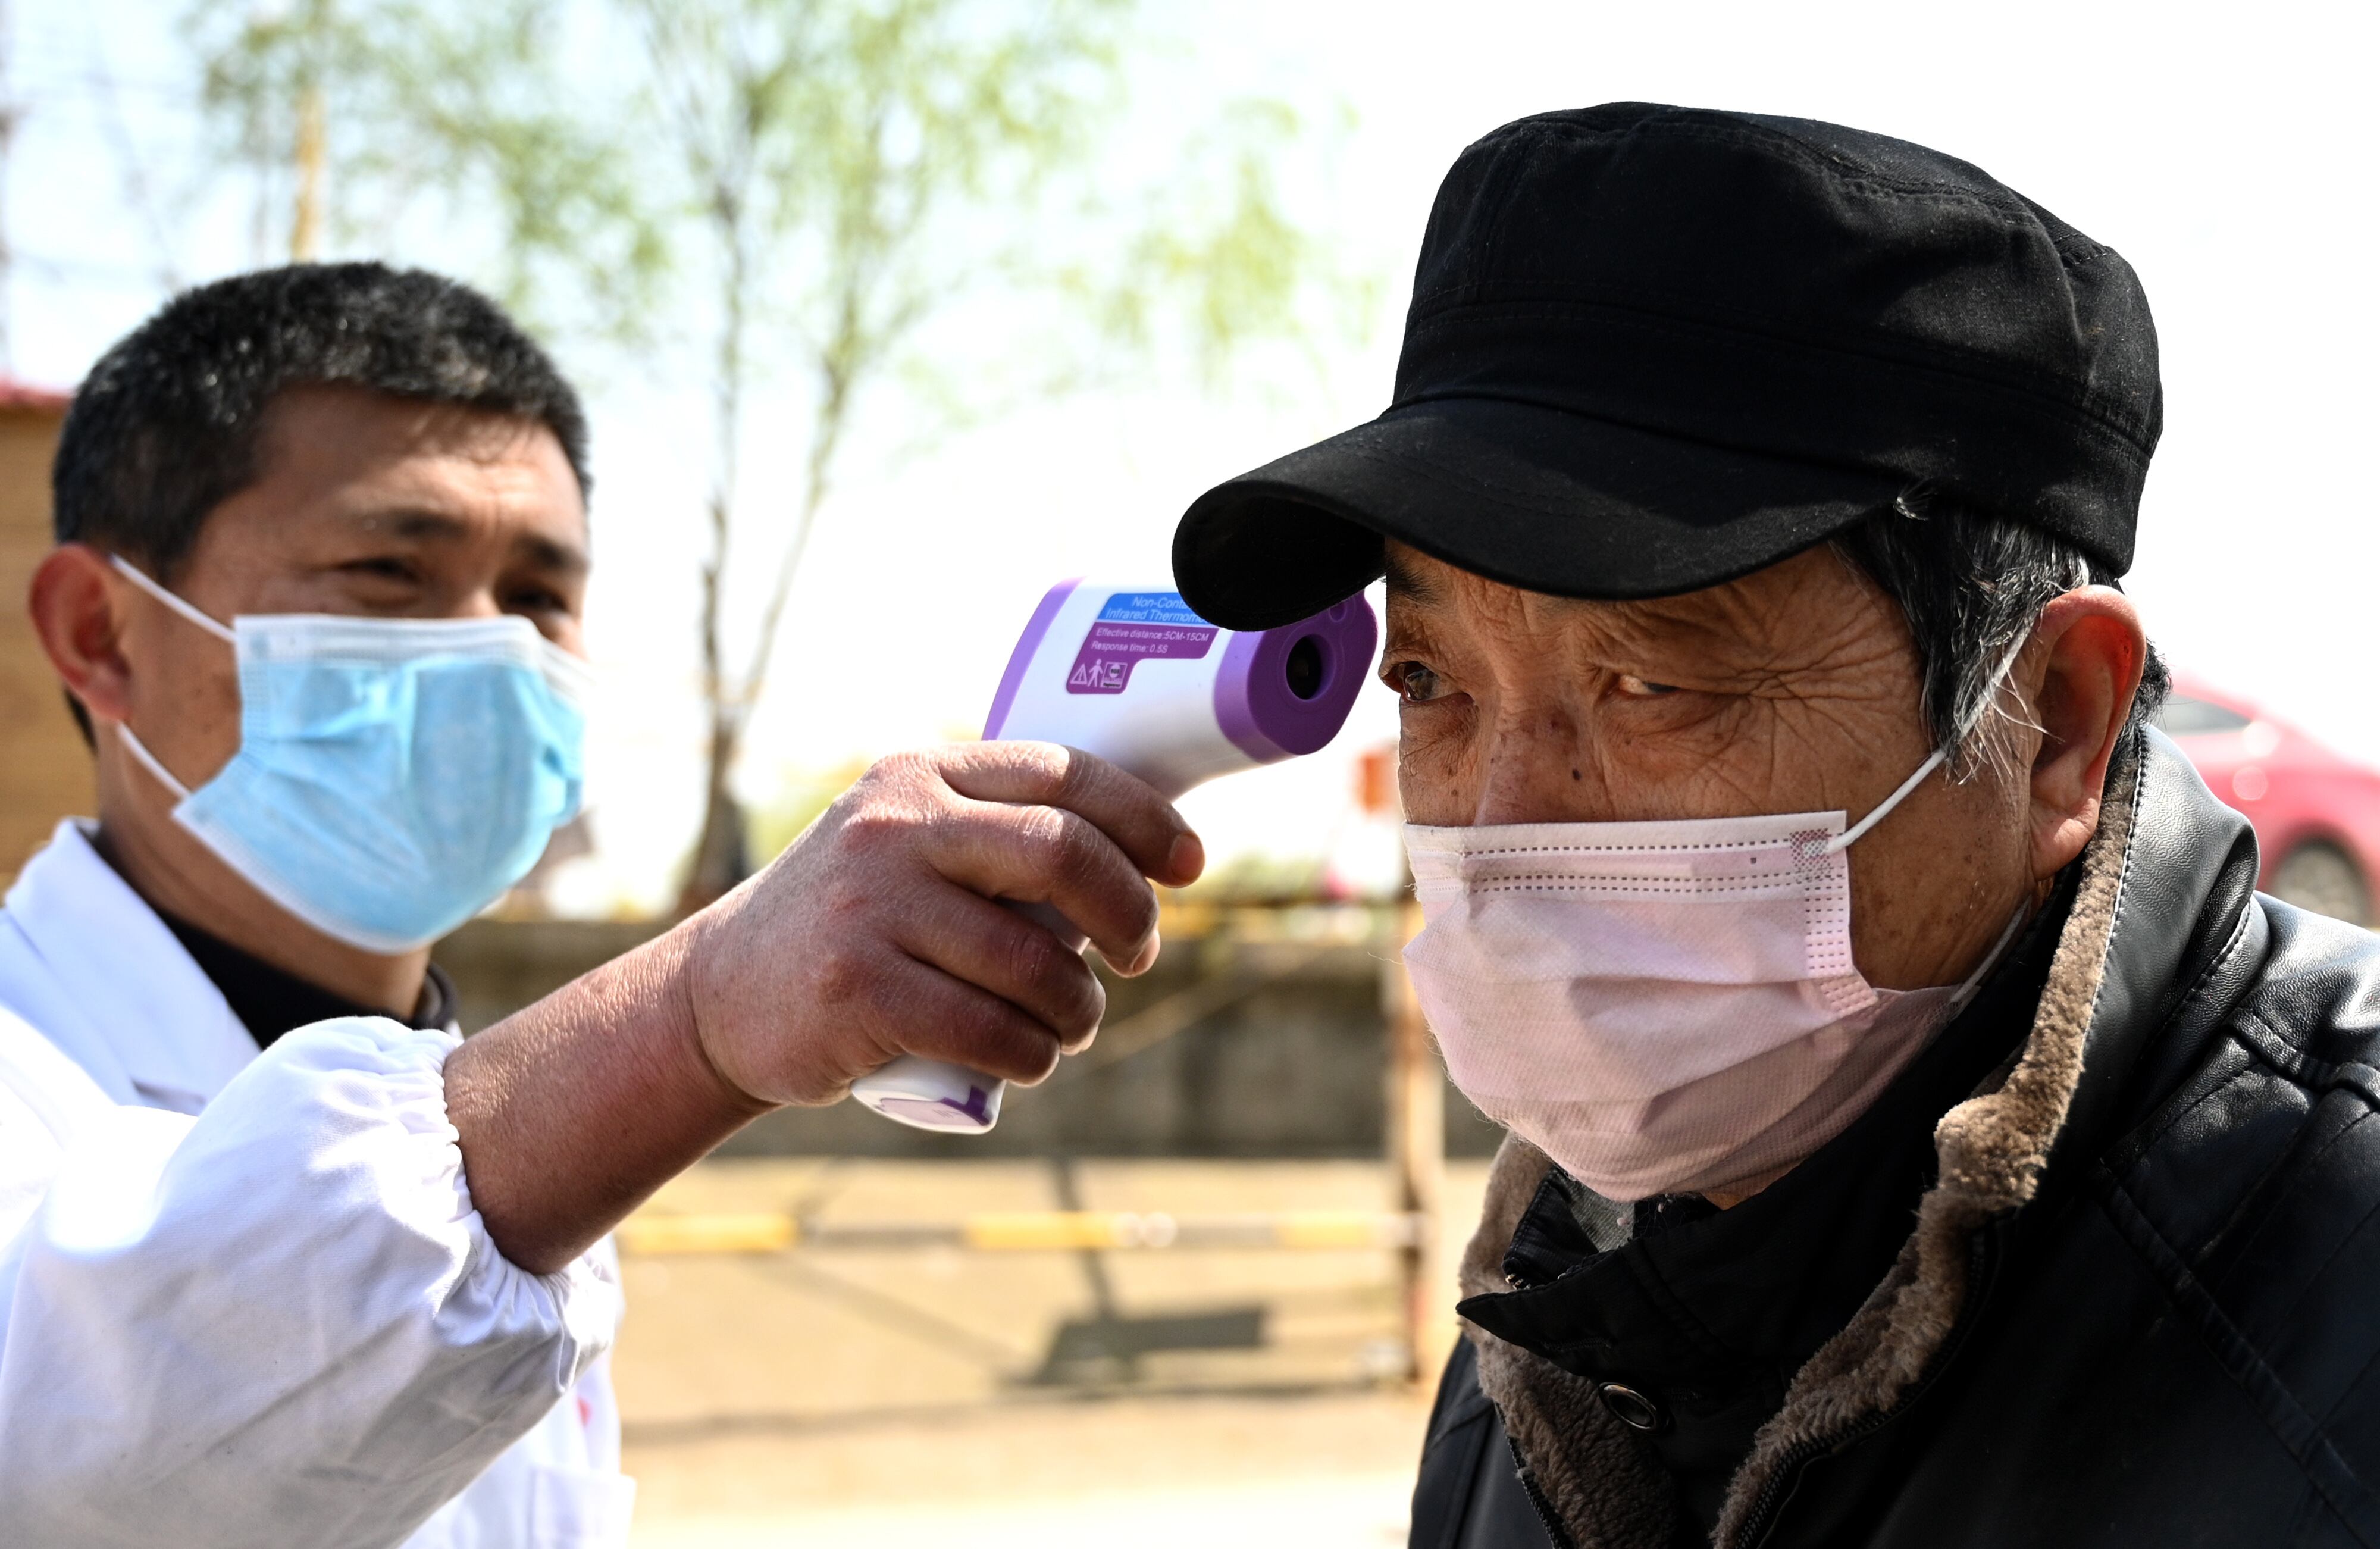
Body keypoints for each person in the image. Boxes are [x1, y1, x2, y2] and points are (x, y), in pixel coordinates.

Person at [1170, 104, 2380, 1547]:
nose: (1500, 822)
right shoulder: (1544, 1331)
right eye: (1429, 682)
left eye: (1651, 681)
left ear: (2050, 722)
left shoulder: (2341, 1278)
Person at [0, 262, 1202, 1547]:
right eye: (388, 571)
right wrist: (691, 1016)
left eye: (535, 598)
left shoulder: (505, 1152)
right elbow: (66, 1462)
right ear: (102, 635)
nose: (490, 650)